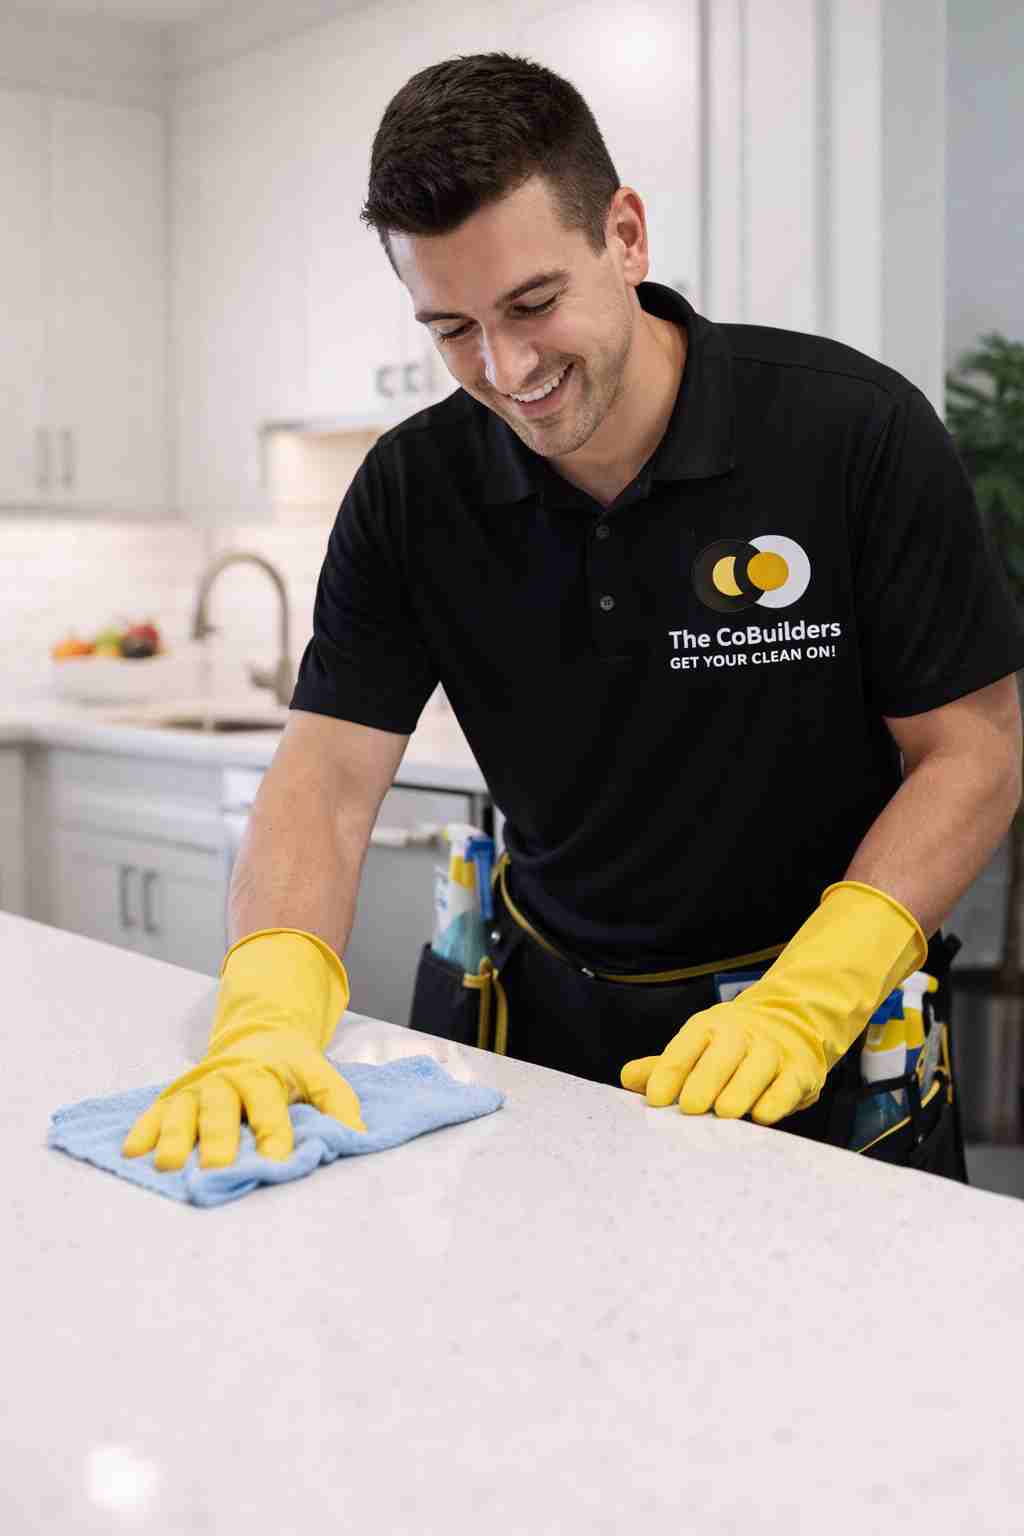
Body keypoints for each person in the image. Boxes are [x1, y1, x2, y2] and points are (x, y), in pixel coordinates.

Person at [124, 52, 1024, 1177]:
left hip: (821, 1034)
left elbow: (973, 750)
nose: (504, 369)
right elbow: (326, 779)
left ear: (626, 237)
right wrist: (266, 1002)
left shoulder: (852, 435)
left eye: (532, 303)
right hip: (536, 1030)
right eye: (451, 328)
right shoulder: (414, 491)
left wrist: (812, 997)